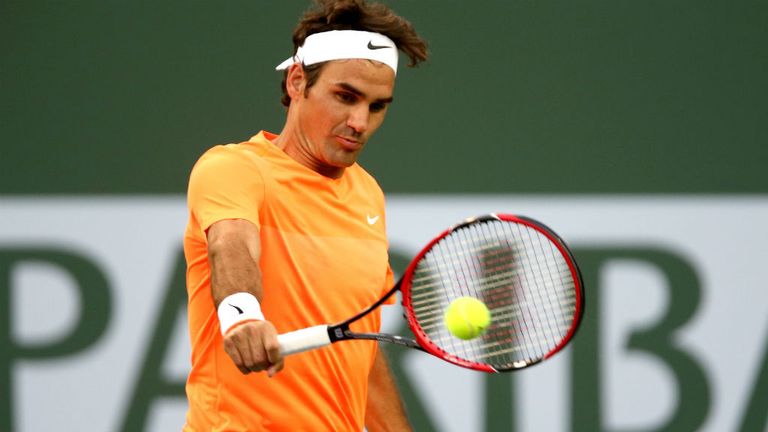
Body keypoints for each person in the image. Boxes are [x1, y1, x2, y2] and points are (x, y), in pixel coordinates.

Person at [182, 0, 428, 430]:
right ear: (298, 81)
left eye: (376, 106)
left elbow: (360, 352)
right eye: (345, 96)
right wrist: (243, 315)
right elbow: (231, 244)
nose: (359, 122)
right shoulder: (234, 168)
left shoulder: (367, 195)